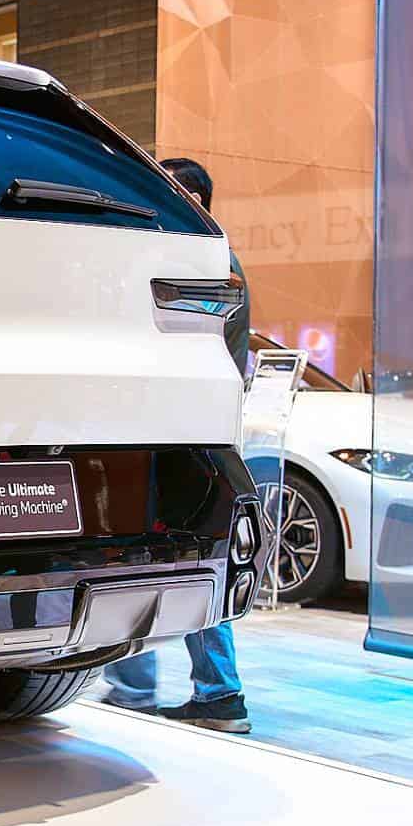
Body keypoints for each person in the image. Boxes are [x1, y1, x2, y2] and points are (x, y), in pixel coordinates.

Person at [101, 156, 252, 734]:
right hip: (190, 432)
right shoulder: (212, 258)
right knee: (186, 557)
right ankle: (206, 691)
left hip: (168, 433)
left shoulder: (190, 261)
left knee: (147, 554)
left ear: (189, 198)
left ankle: (155, 688)